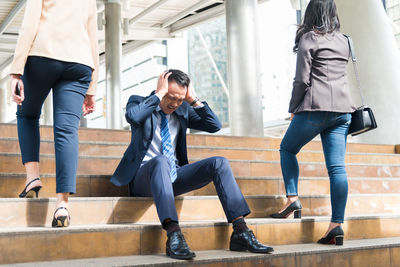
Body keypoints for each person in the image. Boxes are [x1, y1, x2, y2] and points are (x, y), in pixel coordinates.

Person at [111, 70, 273, 260]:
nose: (175, 104)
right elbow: (133, 117)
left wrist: (193, 100)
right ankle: (174, 234)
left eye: (180, 99)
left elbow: (214, 125)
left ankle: (240, 231)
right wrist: (158, 95)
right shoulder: (138, 101)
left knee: (219, 163)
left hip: (173, 176)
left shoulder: (182, 110)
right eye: (171, 97)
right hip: (143, 177)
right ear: (161, 89)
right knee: (160, 161)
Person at [269, 0, 355, 246]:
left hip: (315, 108)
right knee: (337, 169)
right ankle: (336, 225)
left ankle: (292, 199)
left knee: (287, 148)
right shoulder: (345, 40)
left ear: (311, 13)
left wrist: (293, 108)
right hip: (342, 111)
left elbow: (301, 80)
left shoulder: (309, 38)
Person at [10, 0, 99, 227]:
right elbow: (93, 39)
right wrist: (92, 89)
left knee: (27, 115)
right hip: (80, 64)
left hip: (43, 56)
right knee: (67, 131)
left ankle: (33, 178)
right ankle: (62, 205)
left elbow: (29, 25)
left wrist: (16, 71)